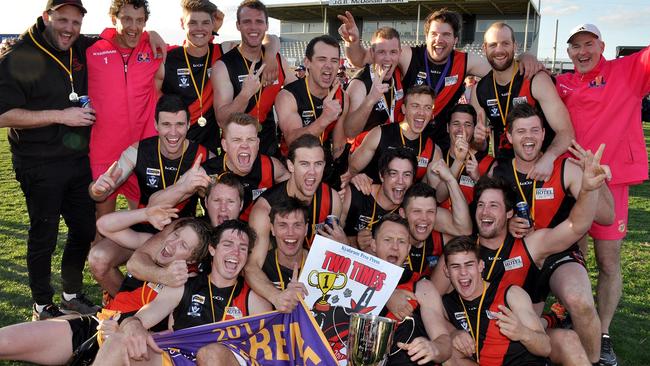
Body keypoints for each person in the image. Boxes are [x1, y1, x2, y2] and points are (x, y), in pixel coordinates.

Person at [555, 24, 650, 366]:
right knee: (574, 259)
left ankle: (604, 334)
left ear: (601, 46)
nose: (582, 51)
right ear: (568, 53)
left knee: (608, 261)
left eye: (588, 44)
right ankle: (577, 320)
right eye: (575, 46)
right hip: (574, 183)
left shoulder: (626, 71)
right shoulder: (562, 82)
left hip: (613, 182)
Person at [0, 214, 213, 365]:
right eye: (175, 235)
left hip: (126, 348)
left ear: (193, 259)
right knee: (5, 341)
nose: (173, 244)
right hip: (95, 327)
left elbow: (176, 339)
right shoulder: (146, 251)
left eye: (184, 245)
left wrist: (128, 330)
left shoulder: (188, 285)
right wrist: (146, 213)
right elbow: (105, 225)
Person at [491, 104, 614, 364]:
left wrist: (597, 183)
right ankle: (555, 330)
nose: (529, 137)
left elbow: (607, 217)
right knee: (525, 329)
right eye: (521, 131)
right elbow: (483, 224)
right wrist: (506, 225)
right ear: (509, 136)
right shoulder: (497, 172)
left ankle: (594, 360)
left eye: (535, 130)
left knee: (579, 300)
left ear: (544, 134)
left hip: (560, 253)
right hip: (519, 258)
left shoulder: (564, 167)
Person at [0, 0, 99, 319]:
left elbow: (117, 36)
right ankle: (42, 304)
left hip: (77, 159)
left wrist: (152, 35)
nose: (69, 28)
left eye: (76, 22)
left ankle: (71, 293)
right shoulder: (20, 55)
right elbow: (3, 114)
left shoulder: (79, 46)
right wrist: (62, 116)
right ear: (47, 17)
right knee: (44, 233)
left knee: (84, 228)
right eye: (62, 20)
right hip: (38, 161)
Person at [338, 9, 542, 150]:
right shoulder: (408, 55)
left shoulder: (465, 61)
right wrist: (352, 42)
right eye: (434, 34)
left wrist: (524, 57)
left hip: (439, 140)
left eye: (446, 34)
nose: (439, 40)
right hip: (406, 135)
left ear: (455, 39)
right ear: (426, 37)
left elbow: (501, 65)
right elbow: (361, 58)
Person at [99, 220, 272, 365]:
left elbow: (269, 353)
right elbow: (139, 318)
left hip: (220, 359)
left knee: (210, 354)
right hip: (178, 359)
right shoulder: (183, 287)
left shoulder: (254, 299)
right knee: (117, 342)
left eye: (242, 248)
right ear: (213, 249)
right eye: (228, 244)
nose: (235, 252)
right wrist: (132, 325)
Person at [87, 94, 210, 296]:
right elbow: (101, 192)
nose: (173, 132)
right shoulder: (138, 151)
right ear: (156, 125)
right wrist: (97, 189)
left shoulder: (203, 155)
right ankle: (125, 305)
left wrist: (206, 188)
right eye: (166, 124)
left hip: (177, 235)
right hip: (142, 226)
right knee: (98, 259)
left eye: (179, 124)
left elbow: (213, 201)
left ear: (189, 124)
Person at [159, 0, 280, 154]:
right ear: (182, 23)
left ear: (213, 25)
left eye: (205, 23)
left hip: (209, 151)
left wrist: (270, 56)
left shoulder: (222, 51)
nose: (199, 28)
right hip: (175, 146)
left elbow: (267, 38)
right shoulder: (166, 60)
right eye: (193, 23)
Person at [87, 0, 165, 221]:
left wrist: (273, 42)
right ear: (114, 19)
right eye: (127, 19)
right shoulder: (91, 51)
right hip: (104, 152)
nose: (134, 26)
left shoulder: (154, 49)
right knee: (101, 226)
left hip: (142, 150)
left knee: (146, 224)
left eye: (140, 20)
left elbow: (196, 47)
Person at [470, 22, 574, 180]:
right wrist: (478, 139)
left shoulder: (536, 80)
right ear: (484, 48)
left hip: (542, 169)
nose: (499, 50)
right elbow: (479, 145)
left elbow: (566, 131)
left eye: (505, 43)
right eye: (493, 45)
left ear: (515, 46)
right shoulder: (479, 91)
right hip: (506, 172)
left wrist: (548, 158)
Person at [246, 134, 343, 285]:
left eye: (318, 164)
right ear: (291, 166)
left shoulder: (332, 199)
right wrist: (277, 298)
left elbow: (335, 253)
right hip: (273, 281)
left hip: (316, 279)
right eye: (304, 164)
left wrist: (343, 248)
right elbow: (252, 267)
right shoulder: (265, 209)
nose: (312, 172)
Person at [441, 236, 552, 365]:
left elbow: (546, 348)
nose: (463, 272)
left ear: (481, 266)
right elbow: (432, 318)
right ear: (446, 271)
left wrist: (523, 333)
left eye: (469, 265)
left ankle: (553, 318)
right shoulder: (446, 304)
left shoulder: (511, 294)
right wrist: (453, 332)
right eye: (455, 266)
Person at [212, 0, 297, 157]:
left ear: (266, 25)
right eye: (246, 22)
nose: (253, 27)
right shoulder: (223, 66)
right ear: (238, 25)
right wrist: (245, 95)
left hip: (269, 150)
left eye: (259, 22)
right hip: (238, 151)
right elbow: (222, 120)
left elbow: (300, 95)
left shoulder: (277, 60)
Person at [370, 214, 452, 365]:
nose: (395, 246)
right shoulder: (352, 275)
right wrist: (386, 293)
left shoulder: (422, 285)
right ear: (373, 244)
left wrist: (434, 348)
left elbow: (445, 343)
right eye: (387, 240)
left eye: (401, 241)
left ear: (408, 248)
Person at [274, 35, 348, 179]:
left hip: (324, 166)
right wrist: (324, 119)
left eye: (334, 60)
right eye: (322, 59)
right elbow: (292, 141)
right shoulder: (288, 95)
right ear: (307, 62)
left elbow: (339, 146)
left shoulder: (342, 97)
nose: (328, 65)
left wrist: (341, 175)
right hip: (292, 169)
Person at [202, 112, 289, 221]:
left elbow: (296, 193)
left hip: (257, 233)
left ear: (257, 144)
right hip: (218, 233)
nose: (244, 145)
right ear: (225, 145)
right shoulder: (207, 172)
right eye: (237, 140)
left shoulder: (272, 167)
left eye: (250, 140)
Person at [348, 85, 442, 183]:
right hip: (374, 196)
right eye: (415, 106)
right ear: (404, 109)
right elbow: (351, 170)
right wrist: (357, 178)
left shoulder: (433, 150)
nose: (421, 113)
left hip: (407, 198)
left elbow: (436, 195)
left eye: (427, 107)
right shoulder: (379, 134)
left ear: (432, 113)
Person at [342, 148, 416, 250]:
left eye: (407, 175)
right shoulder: (355, 194)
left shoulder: (409, 209)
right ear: (381, 176)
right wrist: (354, 241)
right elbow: (329, 237)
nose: (400, 181)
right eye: (393, 173)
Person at [245, 197, 310, 313]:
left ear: (306, 229)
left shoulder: (319, 263)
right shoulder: (260, 269)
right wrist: (277, 297)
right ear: (272, 229)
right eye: (282, 225)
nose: (290, 233)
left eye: (297, 225)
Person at [344, 27, 405, 149]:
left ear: (399, 53)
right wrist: (370, 100)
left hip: (392, 152)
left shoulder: (399, 74)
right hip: (363, 156)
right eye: (381, 52)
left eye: (393, 52)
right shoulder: (359, 85)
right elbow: (349, 132)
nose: (388, 58)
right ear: (372, 53)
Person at [399, 182, 471, 283]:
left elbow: (466, 236)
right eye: (417, 211)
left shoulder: (441, 240)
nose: (424, 218)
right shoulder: (389, 242)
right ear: (403, 213)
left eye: (430, 211)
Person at [436, 103, 494, 208]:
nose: (461, 129)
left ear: (473, 129)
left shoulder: (489, 163)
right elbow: (438, 198)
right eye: (456, 123)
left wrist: (478, 179)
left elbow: (492, 204)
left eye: (467, 125)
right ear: (448, 127)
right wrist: (459, 160)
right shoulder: (438, 157)